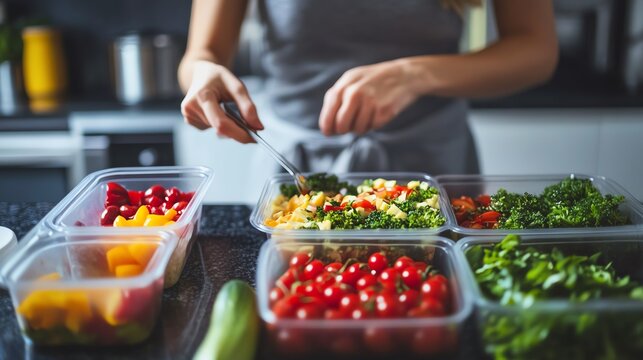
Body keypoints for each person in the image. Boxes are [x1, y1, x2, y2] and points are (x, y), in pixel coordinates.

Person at [178, 0, 557, 175]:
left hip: (433, 166)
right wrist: (202, 75)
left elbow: (536, 48)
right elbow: (201, 55)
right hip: (293, 168)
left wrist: (416, 74)